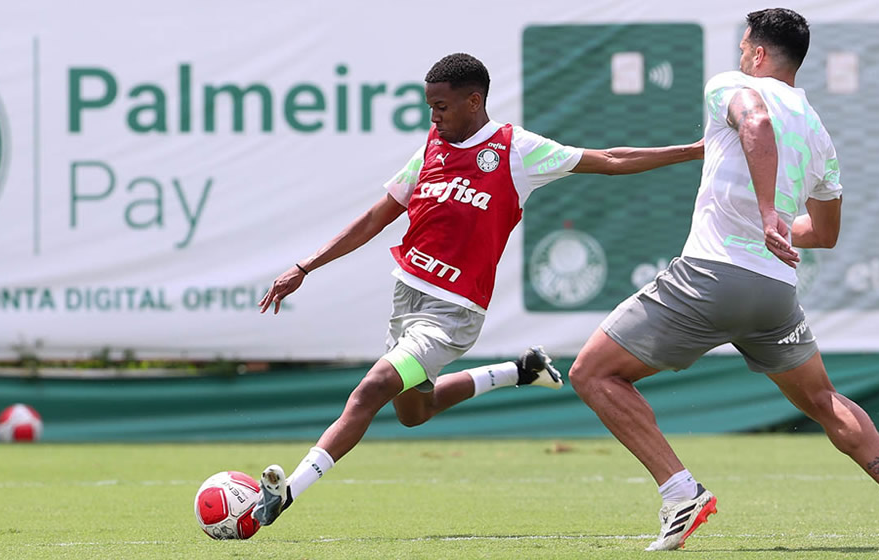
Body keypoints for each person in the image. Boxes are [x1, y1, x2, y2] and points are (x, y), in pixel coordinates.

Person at [251, 52, 703, 528]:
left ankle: (287, 495)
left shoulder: (515, 148)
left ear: (474, 100)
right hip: (407, 301)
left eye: (442, 106)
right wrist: (305, 266)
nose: (434, 116)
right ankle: (519, 371)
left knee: (373, 389)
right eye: (430, 106)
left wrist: (693, 150)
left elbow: (610, 160)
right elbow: (374, 218)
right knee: (414, 412)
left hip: (452, 313)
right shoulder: (431, 147)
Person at [566, 8, 879, 551]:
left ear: (756, 54)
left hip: (711, 276)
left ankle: (681, 492)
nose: (739, 56)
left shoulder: (733, 84)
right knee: (823, 399)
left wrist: (767, 212)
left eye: (743, 46)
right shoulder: (819, 132)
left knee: (592, 373)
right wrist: (776, 226)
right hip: (774, 293)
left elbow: (754, 121)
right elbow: (823, 234)